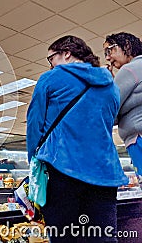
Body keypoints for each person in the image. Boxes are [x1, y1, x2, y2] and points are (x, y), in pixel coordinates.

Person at [27, 35, 128, 242]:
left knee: (65, 237)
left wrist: (33, 164)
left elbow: (34, 125)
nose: (51, 64)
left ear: (66, 53)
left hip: (62, 169)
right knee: (103, 238)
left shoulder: (50, 79)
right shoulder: (111, 87)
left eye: (51, 58)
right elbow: (106, 125)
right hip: (104, 174)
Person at [104, 32, 142, 176]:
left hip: (138, 139)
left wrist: (106, 82)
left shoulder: (130, 69)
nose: (107, 57)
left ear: (126, 45)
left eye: (109, 50)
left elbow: (108, 111)